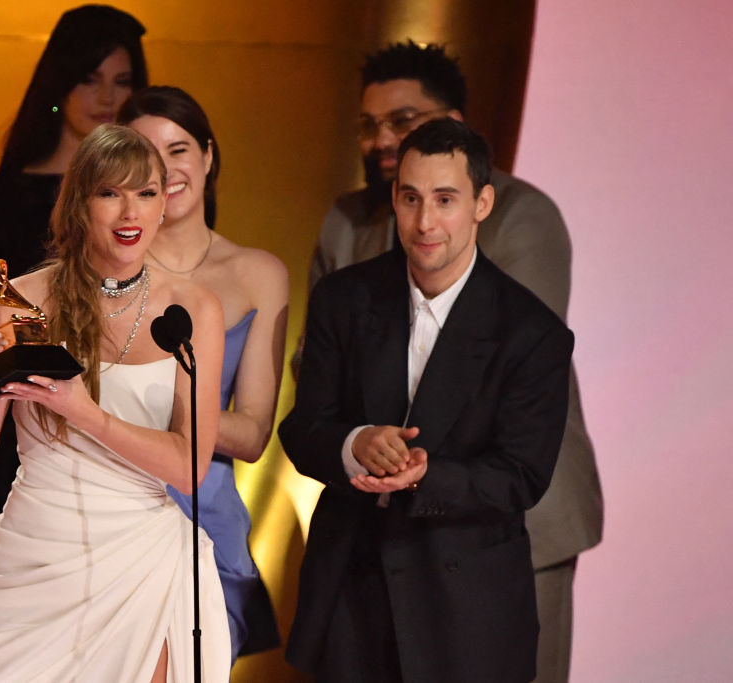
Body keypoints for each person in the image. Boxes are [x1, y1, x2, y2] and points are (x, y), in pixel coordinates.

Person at [303, 40, 603, 682]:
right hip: (368, 543)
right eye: (371, 124)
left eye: (403, 120)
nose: (384, 138)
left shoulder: (524, 219)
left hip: (501, 528)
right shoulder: (349, 224)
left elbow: (496, 364)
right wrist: (359, 441)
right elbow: (314, 386)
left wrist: (411, 464)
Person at [0, 124, 231, 681]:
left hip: (143, 562)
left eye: (145, 193)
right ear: (79, 203)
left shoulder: (192, 309)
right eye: (109, 193)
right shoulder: (20, 301)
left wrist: (85, 412)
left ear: (164, 204)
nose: (130, 212)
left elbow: (189, 468)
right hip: (35, 562)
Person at [0, 6, 149, 680]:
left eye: (122, 81)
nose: (107, 97)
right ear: (57, 84)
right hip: (9, 438)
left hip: (110, 445)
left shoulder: (143, 206)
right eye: (89, 78)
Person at [118, 85, 286, 662]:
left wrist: (144, 403)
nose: (165, 170)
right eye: (144, 153)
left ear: (208, 156)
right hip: (111, 509)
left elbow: (255, 434)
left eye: (179, 149)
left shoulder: (257, 273)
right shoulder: (95, 272)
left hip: (205, 519)